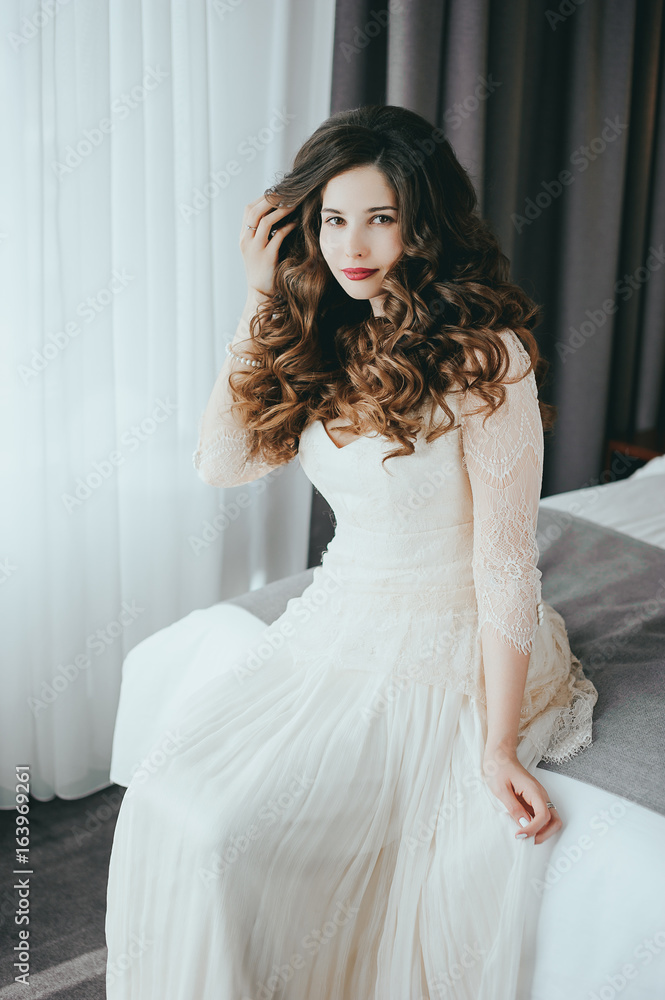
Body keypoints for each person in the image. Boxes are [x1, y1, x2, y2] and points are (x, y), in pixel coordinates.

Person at [104, 104, 598, 1000]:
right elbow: (223, 464)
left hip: (450, 639)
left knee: (229, 838)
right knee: (170, 801)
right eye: (334, 218)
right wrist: (259, 300)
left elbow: (503, 562)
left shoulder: (489, 359)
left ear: (424, 224)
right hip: (336, 620)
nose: (352, 244)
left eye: (379, 216)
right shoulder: (320, 334)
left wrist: (495, 746)